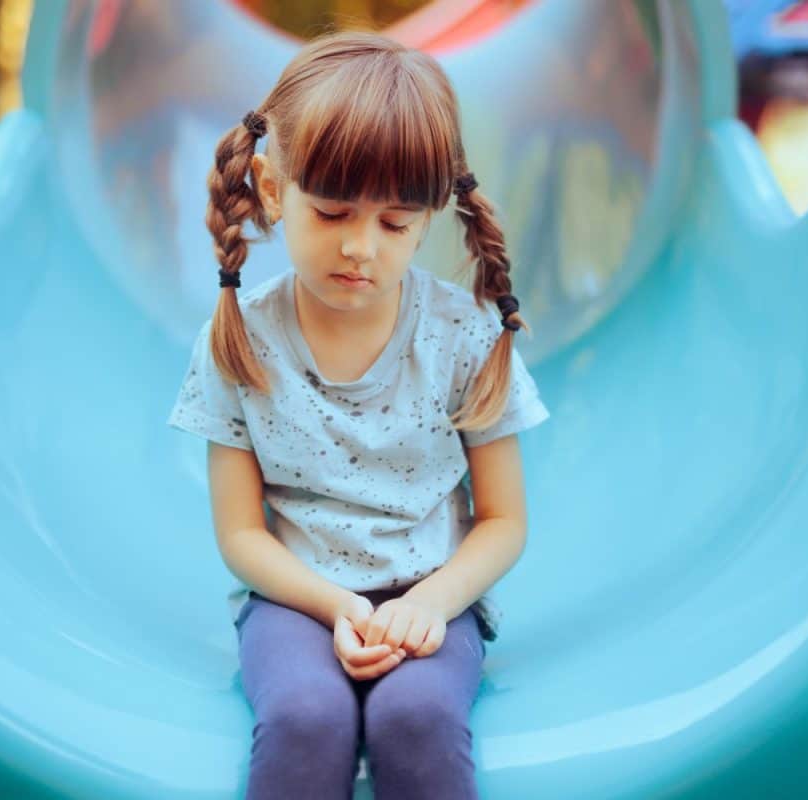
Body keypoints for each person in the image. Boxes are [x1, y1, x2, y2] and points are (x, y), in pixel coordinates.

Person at [166, 29, 550, 800]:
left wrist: (430, 605)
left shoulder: (463, 336)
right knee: (308, 716)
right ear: (274, 191)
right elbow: (241, 534)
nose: (360, 248)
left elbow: (503, 518)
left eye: (395, 223)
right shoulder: (239, 338)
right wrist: (334, 604)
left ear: (431, 217)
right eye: (334, 211)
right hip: (295, 603)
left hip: (430, 596)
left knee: (416, 718)